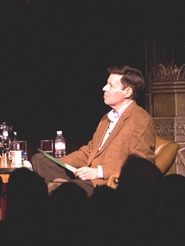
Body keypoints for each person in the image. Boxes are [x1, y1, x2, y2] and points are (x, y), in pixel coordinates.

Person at [31, 65, 155, 196]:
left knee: (64, 187)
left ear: (128, 92)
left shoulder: (141, 119)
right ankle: (62, 187)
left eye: (111, 86)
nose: (104, 88)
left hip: (102, 181)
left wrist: (99, 171)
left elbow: (141, 163)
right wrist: (58, 163)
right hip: (85, 175)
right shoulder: (106, 118)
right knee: (39, 159)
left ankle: (62, 189)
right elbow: (90, 151)